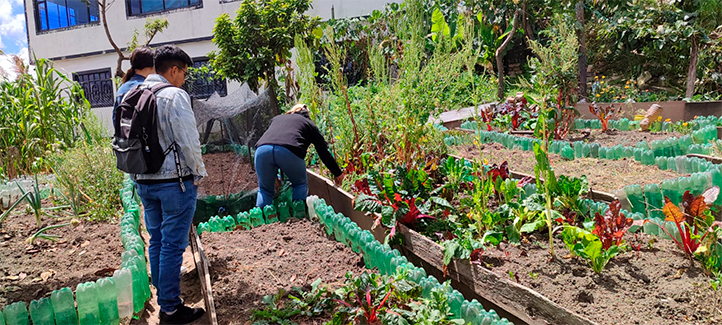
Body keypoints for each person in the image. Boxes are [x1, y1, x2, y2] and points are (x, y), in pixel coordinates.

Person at [133, 45, 207, 324]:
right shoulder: (174, 95)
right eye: (184, 73)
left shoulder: (133, 93)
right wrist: (197, 174)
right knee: (174, 246)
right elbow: (188, 140)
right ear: (173, 70)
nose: (184, 79)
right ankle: (170, 308)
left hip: (144, 182)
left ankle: (164, 295)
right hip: (174, 183)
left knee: (158, 240)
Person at [254, 104, 344, 207]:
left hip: (262, 150)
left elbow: (273, 142)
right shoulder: (309, 124)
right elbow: (324, 153)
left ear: (291, 112)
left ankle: (261, 219)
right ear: (307, 115)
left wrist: (273, 176)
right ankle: (299, 218)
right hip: (289, 151)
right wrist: (338, 173)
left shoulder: (278, 118)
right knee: (299, 184)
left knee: (265, 190)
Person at [113, 46, 155, 122]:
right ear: (152, 66)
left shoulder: (122, 89)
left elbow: (115, 119)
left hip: (124, 132)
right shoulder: (149, 88)